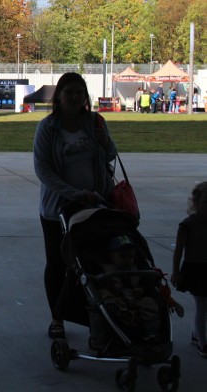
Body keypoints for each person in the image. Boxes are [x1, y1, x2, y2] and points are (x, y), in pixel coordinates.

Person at [33, 72, 117, 341]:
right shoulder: (48, 127)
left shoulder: (93, 122)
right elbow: (44, 170)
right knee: (58, 264)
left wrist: (104, 142)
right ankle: (57, 317)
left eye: (79, 93)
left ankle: (96, 318)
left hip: (95, 205)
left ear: (85, 97)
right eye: (69, 92)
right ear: (58, 96)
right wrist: (75, 193)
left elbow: (112, 154)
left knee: (94, 264)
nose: (75, 97)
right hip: (58, 209)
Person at [97, 235, 160, 343]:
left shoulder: (136, 269)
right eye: (122, 256)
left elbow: (145, 283)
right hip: (117, 298)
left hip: (135, 298)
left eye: (131, 257)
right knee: (104, 293)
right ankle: (119, 311)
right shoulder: (106, 269)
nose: (127, 260)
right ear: (111, 257)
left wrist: (141, 289)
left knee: (149, 303)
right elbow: (102, 284)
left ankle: (152, 332)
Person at [171, 181, 207, 357]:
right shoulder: (188, 224)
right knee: (201, 305)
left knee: (203, 306)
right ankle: (203, 342)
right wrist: (176, 271)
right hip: (196, 269)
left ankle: (197, 334)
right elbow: (178, 250)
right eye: (206, 202)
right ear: (196, 203)